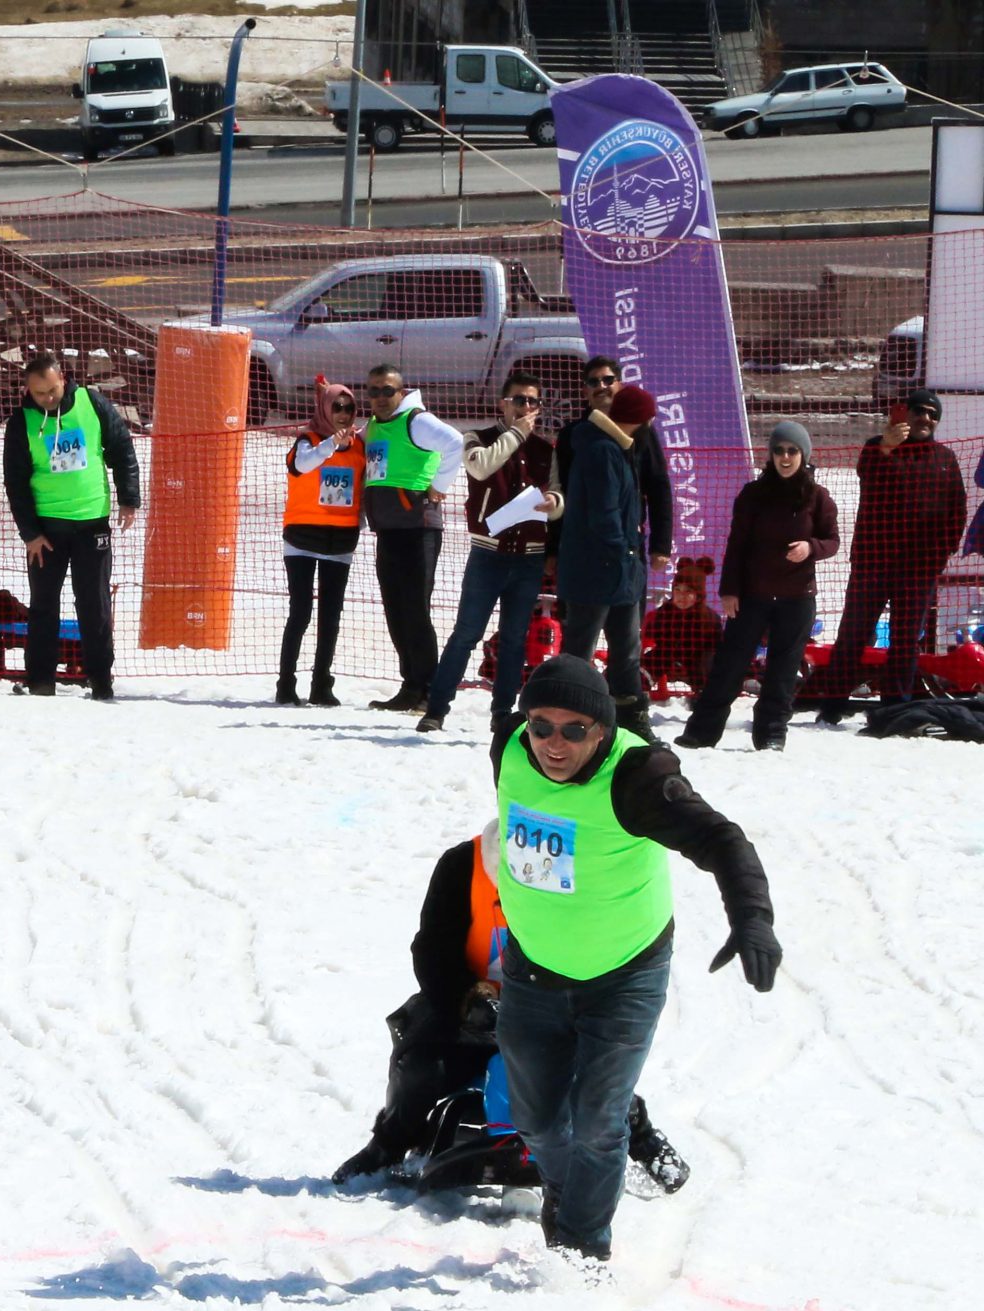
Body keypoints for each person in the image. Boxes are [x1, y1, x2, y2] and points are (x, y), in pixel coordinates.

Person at [488, 655, 776, 1263]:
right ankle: (567, 1202)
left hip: (624, 974)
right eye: (542, 726)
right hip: (532, 967)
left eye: (574, 730)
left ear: (603, 729)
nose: (553, 745)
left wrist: (752, 918)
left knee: (598, 1120)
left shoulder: (639, 776)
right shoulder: (508, 749)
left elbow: (723, 839)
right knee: (537, 1123)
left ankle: (582, 1249)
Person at [330, 831, 686, 1196]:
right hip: (467, 1012)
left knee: (593, 1070)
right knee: (421, 1068)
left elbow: (591, 954)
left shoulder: (574, 876)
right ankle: (387, 1147)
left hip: (545, 1009)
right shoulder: (462, 866)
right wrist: (469, 998)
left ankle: (640, 1137)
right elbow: (432, 950)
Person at [420, 372, 562, 733]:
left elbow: (559, 495)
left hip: (529, 556)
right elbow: (480, 466)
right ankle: (436, 709)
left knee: (515, 637)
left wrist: (553, 503)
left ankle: (502, 713)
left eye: (532, 401)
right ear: (503, 403)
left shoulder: (547, 450)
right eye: (518, 400)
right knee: (467, 633)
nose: (526, 407)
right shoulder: (478, 438)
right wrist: (516, 434)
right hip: (488, 553)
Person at [681, 423, 838, 751]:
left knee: (783, 670)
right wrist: (729, 590)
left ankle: (771, 734)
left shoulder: (818, 496)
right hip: (753, 595)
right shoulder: (753, 493)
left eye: (792, 451)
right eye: (779, 450)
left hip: (797, 597)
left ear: (804, 455)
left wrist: (810, 547)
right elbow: (736, 544)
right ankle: (701, 732)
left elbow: (832, 540)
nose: (785, 457)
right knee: (730, 665)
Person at [816, 389, 970, 720]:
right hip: (874, 562)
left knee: (904, 640)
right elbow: (866, 474)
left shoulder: (945, 458)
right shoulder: (878, 448)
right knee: (853, 634)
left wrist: (943, 553)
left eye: (933, 414)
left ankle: (895, 707)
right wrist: (886, 445)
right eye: (920, 411)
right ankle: (832, 705)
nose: (926, 418)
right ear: (904, 414)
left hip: (920, 567)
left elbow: (957, 510)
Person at [2, 353, 141, 700]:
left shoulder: (91, 402)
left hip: (92, 522)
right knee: (44, 604)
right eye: (40, 394)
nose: (48, 398)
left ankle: (100, 680)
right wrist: (30, 534)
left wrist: (129, 499)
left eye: (52, 390)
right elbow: (15, 483)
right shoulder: (21, 422)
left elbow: (122, 447)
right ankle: (40, 680)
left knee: (94, 603)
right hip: (46, 531)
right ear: (28, 391)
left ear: (63, 378)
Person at [551, 381, 666, 734]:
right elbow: (605, 516)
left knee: (627, 652)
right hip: (596, 572)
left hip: (620, 573)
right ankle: (564, 718)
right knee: (579, 654)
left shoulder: (619, 447)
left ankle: (631, 721)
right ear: (638, 419)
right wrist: (625, 551)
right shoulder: (601, 450)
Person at [359, 364, 465, 711]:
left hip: (419, 528)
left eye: (387, 390)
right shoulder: (374, 426)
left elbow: (455, 442)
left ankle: (429, 690)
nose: (379, 397)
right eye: (373, 391)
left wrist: (438, 488)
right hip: (388, 529)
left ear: (401, 392)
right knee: (396, 610)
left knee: (416, 610)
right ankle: (410, 685)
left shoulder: (416, 420)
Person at [276, 377, 364, 708]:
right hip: (302, 537)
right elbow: (303, 464)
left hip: (340, 540)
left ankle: (321, 684)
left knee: (331, 616)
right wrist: (330, 445)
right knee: (300, 612)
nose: (343, 413)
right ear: (325, 409)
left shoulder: (360, 445)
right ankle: (286, 684)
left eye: (349, 408)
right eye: (336, 407)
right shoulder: (307, 440)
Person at [552, 356, 674, 571]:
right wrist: (552, 549)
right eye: (593, 382)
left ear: (619, 384)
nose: (602, 386)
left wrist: (661, 546)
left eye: (608, 380)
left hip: (629, 545)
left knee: (630, 604)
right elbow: (560, 490)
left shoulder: (642, 431)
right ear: (585, 391)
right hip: (580, 546)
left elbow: (658, 485)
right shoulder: (571, 436)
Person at [642, 558, 723, 699]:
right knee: (647, 663)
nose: (681, 596)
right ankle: (635, 692)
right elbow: (650, 638)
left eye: (688, 591)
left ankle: (705, 698)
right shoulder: (664, 612)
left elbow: (717, 648)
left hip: (697, 660)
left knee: (710, 664)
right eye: (677, 590)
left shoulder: (710, 618)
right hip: (667, 655)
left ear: (698, 595)